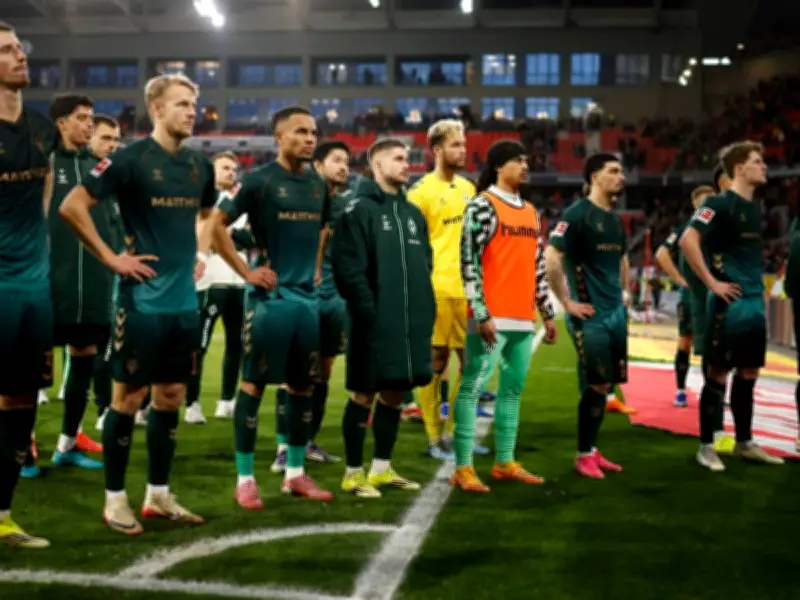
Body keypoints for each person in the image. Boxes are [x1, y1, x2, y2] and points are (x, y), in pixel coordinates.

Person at [60, 73, 216, 535]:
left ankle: (158, 496)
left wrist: (201, 252)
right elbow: (71, 206)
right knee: (127, 399)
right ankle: (114, 501)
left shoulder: (200, 165)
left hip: (183, 305)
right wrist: (111, 257)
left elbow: (209, 214)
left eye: (194, 104)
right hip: (141, 304)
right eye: (182, 103)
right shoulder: (128, 160)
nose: (191, 111)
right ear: (157, 109)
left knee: (171, 396)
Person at [211, 105, 333, 508]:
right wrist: (246, 272)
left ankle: (295, 474)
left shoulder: (317, 184)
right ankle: (245, 479)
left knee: (302, 386)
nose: (310, 139)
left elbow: (323, 228)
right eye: (301, 132)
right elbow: (215, 226)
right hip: (270, 301)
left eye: (313, 132)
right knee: (254, 384)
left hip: (306, 301)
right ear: (279, 137)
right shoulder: (258, 181)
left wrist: (316, 268)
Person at [450, 140, 557, 492]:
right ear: (498, 166)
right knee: (472, 389)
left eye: (526, 160)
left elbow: (537, 266)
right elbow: (468, 262)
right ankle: (462, 467)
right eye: (517, 160)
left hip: (523, 318)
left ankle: (505, 462)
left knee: (512, 392)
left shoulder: (531, 212)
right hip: (491, 318)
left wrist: (546, 312)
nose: (525, 166)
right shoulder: (481, 205)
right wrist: (481, 313)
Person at [333, 138, 434, 499]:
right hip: (373, 322)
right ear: (377, 165)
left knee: (395, 392)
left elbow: (426, 264)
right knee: (364, 393)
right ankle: (352, 473)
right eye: (399, 159)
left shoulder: (413, 214)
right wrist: (370, 313)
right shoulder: (358, 209)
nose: (407, 165)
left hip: (408, 323)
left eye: (408, 159)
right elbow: (348, 270)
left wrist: (423, 308)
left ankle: (381, 468)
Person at [679, 141, 783, 471]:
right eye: (757, 161)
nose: (764, 166)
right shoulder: (716, 204)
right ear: (739, 169)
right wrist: (712, 282)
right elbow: (687, 239)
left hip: (753, 302)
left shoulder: (755, 208)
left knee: (749, 371)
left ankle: (744, 442)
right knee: (718, 372)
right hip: (729, 303)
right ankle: (706, 446)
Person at [0, 20, 59, 548]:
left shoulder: (42, 128)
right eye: (7, 50)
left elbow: (44, 190)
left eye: (20, 47)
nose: (21, 56)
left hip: (33, 285)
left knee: (21, 398)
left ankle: (2, 514)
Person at [545, 153, 629, 480]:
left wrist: (624, 292)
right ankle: (583, 455)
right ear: (595, 177)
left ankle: (592, 449)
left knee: (605, 387)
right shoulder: (577, 214)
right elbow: (552, 257)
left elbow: (622, 259)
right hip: (590, 315)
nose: (621, 177)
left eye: (622, 171)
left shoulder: (615, 220)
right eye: (614, 171)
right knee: (597, 384)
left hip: (615, 314)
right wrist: (567, 302)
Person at [407, 119, 478, 462]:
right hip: (436, 288)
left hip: (470, 291)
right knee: (435, 361)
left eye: (463, 144)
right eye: (455, 145)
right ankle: (435, 437)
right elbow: (412, 247)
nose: (463, 151)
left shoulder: (469, 188)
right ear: (436, 150)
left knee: (472, 363)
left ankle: (457, 434)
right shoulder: (419, 193)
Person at [47, 94, 110, 470]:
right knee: (30, 370)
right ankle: (23, 447)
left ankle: (68, 443)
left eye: (91, 117)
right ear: (61, 123)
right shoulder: (43, 163)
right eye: (82, 117)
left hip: (93, 286)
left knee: (84, 361)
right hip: (47, 282)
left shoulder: (98, 169)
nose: (89, 124)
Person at [186, 150, 248, 425]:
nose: (230, 173)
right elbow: (199, 237)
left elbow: (252, 237)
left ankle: (226, 401)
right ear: (212, 171)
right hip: (209, 282)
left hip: (239, 283)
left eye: (233, 169)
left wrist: (226, 234)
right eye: (224, 168)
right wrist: (225, 236)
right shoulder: (201, 202)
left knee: (237, 344)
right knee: (199, 345)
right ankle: (192, 403)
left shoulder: (241, 204)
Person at [654, 185, 715, 408]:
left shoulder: (717, 229)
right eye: (704, 201)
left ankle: (713, 392)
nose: (709, 205)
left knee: (712, 342)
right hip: (691, 295)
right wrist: (680, 279)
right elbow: (661, 253)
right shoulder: (685, 228)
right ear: (695, 204)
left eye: (712, 200)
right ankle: (680, 390)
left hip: (712, 292)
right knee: (686, 340)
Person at [90, 114, 124, 431]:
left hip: (112, 279)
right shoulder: (81, 181)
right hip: (81, 276)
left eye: (115, 140)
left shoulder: (114, 185)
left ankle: (106, 407)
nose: (111, 145)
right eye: (105, 138)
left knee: (108, 346)